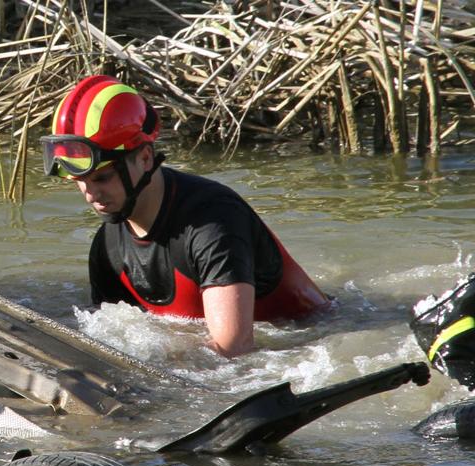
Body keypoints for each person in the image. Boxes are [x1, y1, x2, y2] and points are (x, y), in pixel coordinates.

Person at [42, 75, 329, 357]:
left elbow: (232, 349)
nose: (89, 193)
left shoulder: (214, 221)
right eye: (78, 180)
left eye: (102, 178)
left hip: (314, 341)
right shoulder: (107, 248)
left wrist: (157, 353)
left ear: (144, 158)